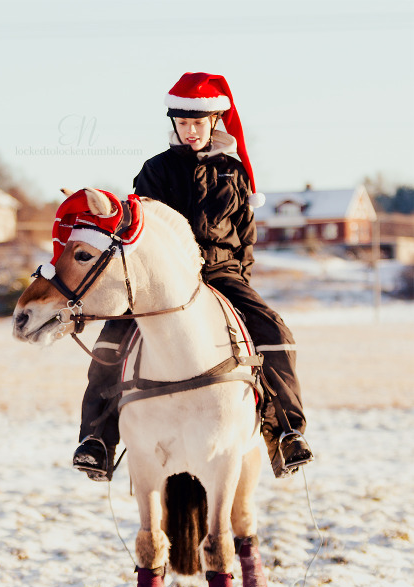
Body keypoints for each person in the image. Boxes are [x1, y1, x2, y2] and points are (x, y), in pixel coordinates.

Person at [73, 72, 313, 481]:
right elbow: (141, 228)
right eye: (182, 124)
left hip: (221, 272)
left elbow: (244, 238)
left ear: (214, 122)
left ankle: (285, 432)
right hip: (163, 277)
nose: (189, 132)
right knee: (111, 341)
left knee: (276, 333)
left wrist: (241, 284)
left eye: (197, 123)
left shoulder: (233, 174)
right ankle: (96, 440)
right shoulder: (155, 171)